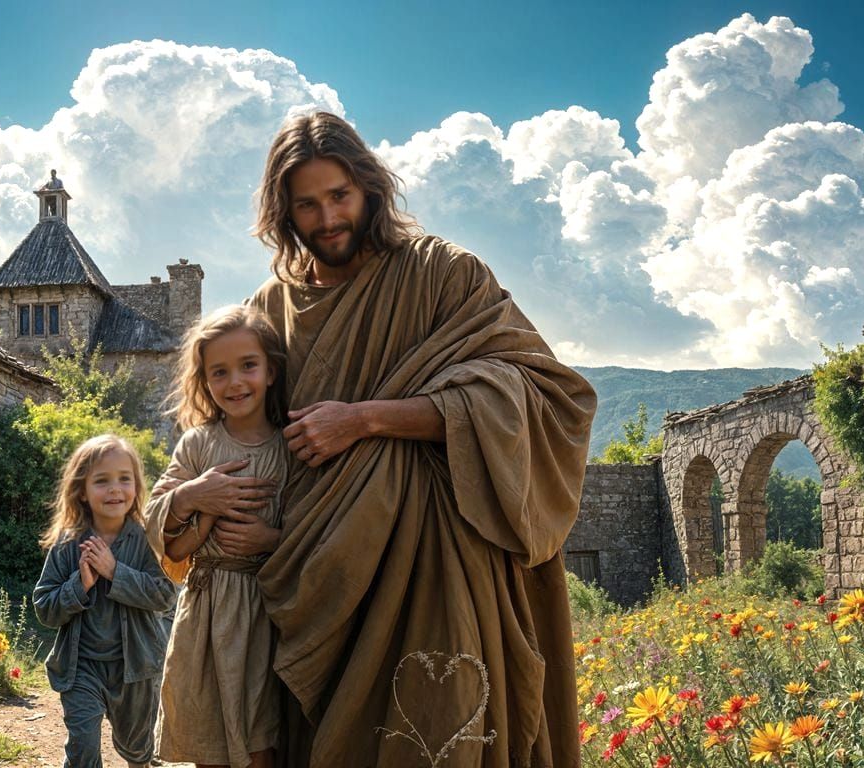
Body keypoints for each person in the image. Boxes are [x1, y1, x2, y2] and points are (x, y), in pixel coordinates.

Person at [226, 111, 594, 767]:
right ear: (283, 212)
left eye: (339, 195)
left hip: (438, 564)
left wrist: (366, 418)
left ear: (369, 186)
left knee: (434, 735)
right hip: (319, 576)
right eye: (306, 205)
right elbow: (242, 435)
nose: (328, 217)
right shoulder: (268, 312)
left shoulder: (443, 275)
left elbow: (543, 396)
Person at [144, 306, 288, 768]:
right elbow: (154, 521)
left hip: (266, 611)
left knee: (259, 738)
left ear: (271, 370)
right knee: (207, 738)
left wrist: (271, 539)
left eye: (248, 365)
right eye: (218, 372)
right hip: (205, 608)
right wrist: (193, 495)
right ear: (204, 381)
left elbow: (318, 529)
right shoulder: (198, 444)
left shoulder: (291, 448)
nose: (235, 383)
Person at [33, 435, 177, 768]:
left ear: (137, 486)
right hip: (81, 667)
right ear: (81, 491)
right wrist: (78, 585)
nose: (115, 489)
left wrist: (115, 572)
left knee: (138, 751)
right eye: (102, 480)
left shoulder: (146, 539)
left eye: (124, 479)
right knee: (82, 750)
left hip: (137, 669)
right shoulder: (67, 544)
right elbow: (44, 609)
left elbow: (165, 595)